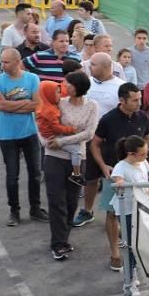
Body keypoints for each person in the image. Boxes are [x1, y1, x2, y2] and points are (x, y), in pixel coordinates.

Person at [89, 83, 149, 270]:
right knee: (112, 213)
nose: (139, 103)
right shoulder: (108, 120)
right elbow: (95, 144)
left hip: (138, 174)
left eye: (140, 99)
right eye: (135, 100)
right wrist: (103, 166)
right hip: (115, 174)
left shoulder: (143, 117)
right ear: (122, 100)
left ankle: (133, 247)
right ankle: (115, 252)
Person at [0, 49, 49, 227]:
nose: (2, 65)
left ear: (17, 62)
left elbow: (38, 105)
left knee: (35, 174)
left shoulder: (32, 79)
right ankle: (14, 211)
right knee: (12, 175)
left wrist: (11, 105)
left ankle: (35, 208)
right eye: (2, 62)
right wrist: (24, 103)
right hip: (7, 137)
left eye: (6, 62)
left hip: (30, 134)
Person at [43, 72, 98, 260]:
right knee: (56, 201)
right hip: (54, 158)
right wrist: (49, 142)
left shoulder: (91, 106)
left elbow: (89, 133)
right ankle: (58, 243)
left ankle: (63, 238)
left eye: (69, 84)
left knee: (72, 201)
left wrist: (62, 142)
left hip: (77, 159)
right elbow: (43, 122)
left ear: (78, 87)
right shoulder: (59, 103)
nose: (65, 86)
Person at [71, 53, 124, 228]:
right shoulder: (87, 84)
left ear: (106, 66)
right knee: (90, 178)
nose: (89, 67)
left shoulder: (120, 87)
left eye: (93, 64)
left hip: (112, 143)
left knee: (114, 179)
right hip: (89, 140)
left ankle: (114, 216)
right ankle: (87, 211)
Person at [110, 135, 149, 296]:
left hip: (142, 208)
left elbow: (147, 178)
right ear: (131, 154)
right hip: (127, 210)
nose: (145, 157)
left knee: (139, 244)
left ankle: (132, 272)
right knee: (129, 245)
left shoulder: (143, 163)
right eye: (142, 154)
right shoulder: (121, 167)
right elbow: (118, 181)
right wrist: (122, 184)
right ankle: (129, 281)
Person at [36, 80, 83, 185]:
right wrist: (71, 129)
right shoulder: (50, 111)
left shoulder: (45, 105)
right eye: (56, 92)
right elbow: (56, 128)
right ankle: (77, 175)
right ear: (48, 94)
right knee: (76, 150)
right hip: (52, 138)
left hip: (49, 136)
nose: (60, 94)